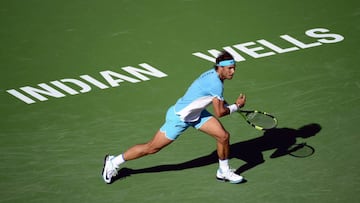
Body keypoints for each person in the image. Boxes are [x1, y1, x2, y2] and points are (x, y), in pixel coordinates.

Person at [102, 51, 246, 184]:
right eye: (230, 69)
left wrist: (225, 104)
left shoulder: (213, 75)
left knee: (223, 136)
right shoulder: (216, 84)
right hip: (180, 118)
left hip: (197, 114)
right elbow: (219, 113)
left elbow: (211, 98)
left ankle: (224, 171)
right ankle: (114, 162)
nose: (233, 72)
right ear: (220, 67)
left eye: (234, 68)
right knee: (151, 148)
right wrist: (236, 106)